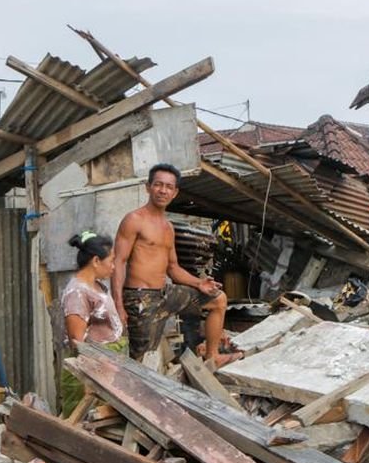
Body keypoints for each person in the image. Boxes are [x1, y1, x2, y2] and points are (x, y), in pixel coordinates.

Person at [112, 163, 238, 366]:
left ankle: (212, 355)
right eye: (158, 185)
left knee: (218, 299)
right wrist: (118, 305)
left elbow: (174, 268)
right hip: (140, 297)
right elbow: (118, 262)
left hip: (165, 293)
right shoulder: (134, 220)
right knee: (142, 360)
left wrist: (199, 283)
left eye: (169, 187)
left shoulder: (168, 227)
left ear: (175, 192)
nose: (163, 190)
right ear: (148, 187)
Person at [59, 230, 127, 415]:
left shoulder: (96, 286)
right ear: (96, 260)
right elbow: (76, 341)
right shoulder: (77, 293)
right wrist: (90, 380)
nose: (114, 266)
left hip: (106, 365)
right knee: (86, 424)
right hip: (92, 370)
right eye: (111, 260)